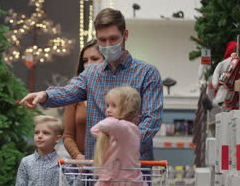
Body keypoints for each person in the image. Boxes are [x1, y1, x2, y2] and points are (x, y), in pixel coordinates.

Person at [20, 8, 163, 162]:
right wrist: (45, 95)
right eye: (102, 40)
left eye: (113, 39)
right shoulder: (91, 74)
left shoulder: (147, 73)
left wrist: (123, 144)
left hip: (133, 167)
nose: (108, 45)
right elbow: (69, 91)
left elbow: (151, 120)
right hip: (96, 167)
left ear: (125, 35)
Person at [89, 86, 151, 186]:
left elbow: (102, 126)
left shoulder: (125, 128)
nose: (108, 110)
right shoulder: (122, 129)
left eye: (113, 106)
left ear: (127, 108)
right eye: (107, 105)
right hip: (117, 181)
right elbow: (94, 130)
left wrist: (111, 120)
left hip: (122, 184)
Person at [64, 39, 105, 161]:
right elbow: (68, 135)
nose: (89, 64)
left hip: (111, 165)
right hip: (83, 167)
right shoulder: (75, 93)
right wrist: (77, 156)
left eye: (95, 59)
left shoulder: (115, 94)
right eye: (85, 61)